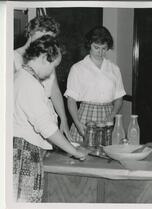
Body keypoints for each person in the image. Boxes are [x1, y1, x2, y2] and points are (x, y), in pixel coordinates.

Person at [13, 35, 89, 202]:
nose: (51, 74)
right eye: (53, 66)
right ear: (42, 58)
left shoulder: (23, 77)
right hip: (24, 154)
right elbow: (46, 127)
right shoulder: (28, 84)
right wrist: (75, 152)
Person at [14, 15, 72, 141]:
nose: (48, 43)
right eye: (45, 37)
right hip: (26, 126)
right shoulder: (12, 58)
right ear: (31, 33)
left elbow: (54, 90)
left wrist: (64, 118)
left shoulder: (45, 57)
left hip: (46, 120)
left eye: (51, 39)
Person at [64, 26, 126, 143]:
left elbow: (119, 97)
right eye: (96, 48)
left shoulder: (114, 69)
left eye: (104, 48)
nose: (100, 52)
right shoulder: (78, 68)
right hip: (85, 117)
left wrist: (112, 116)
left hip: (108, 116)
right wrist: (77, 123)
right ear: (89, 45)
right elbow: (71, 100)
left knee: (107, 154)